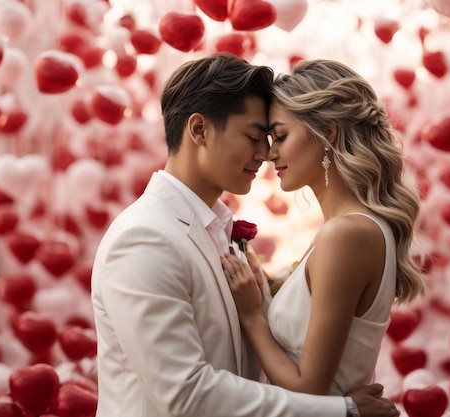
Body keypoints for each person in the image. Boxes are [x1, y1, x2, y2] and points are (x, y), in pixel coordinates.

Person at [91, 53, 400, 417]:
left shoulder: (223, 234)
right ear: (199, 130)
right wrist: (342, 409)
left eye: (272, 137)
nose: (265, 154)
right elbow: (185, 394)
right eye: (255, 136)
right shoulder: (144, 237)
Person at [221, 59, 425, 396]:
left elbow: (310, 387)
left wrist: (253, 316)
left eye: (281, 136)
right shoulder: (349, 230)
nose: (270, 153)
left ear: (327, 133)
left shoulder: (346, 235)